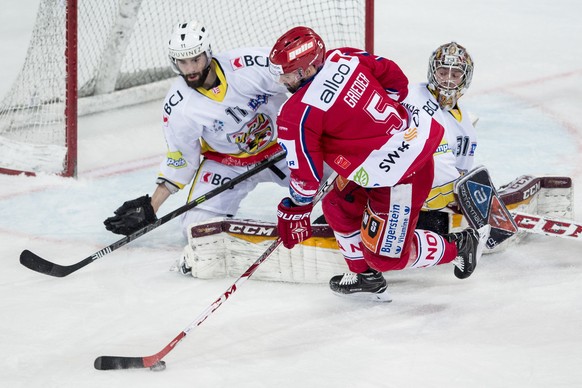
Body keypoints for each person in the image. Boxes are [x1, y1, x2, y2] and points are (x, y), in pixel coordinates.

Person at [269, 26, 489, 301]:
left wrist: (294, 210)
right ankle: (365, 276)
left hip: (402, 175)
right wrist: (374, 126)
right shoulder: (343, 57)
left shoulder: (296, 114)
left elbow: (306, 182)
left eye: (286, 73)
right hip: (400, 151)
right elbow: (395, 79)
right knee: (336, 205)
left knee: (385, 259)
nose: (281, 79)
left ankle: (458, 247)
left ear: (304, 71)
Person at [103, 20, 290, 274]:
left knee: (337, 174)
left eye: (195, 60)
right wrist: (151, 206)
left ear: (208, 52)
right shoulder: (179, 105)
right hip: (230, 164)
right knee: (196, 229)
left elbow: (298, 80)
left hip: (282, 148)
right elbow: (181, 158)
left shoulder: (248, 65)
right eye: (182, 62)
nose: (190, 69)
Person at [405, 42, 477, 234]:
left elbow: (461, 175)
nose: (447, 80)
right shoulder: (410, 94)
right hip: (391, 188)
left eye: (455, 75)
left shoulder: (467, 131)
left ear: (465, 78)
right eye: (443, 72)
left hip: (428, 209)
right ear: (433, 72)